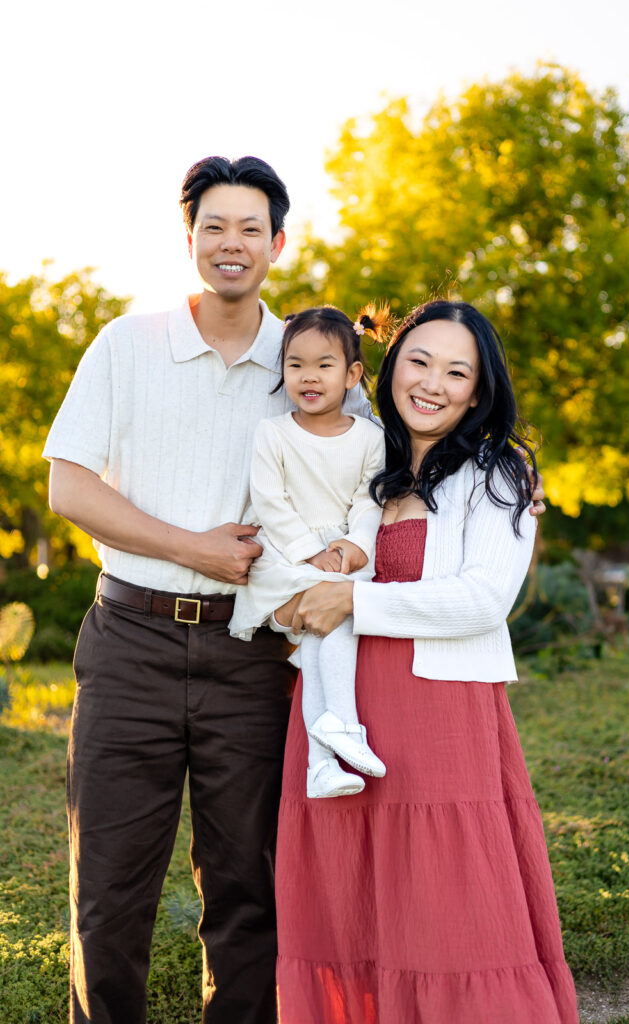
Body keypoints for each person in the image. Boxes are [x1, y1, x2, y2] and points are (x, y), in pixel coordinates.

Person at [42, 155, 374, 1024]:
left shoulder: (309, 357)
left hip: (254, 654)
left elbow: (382, 469)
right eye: (214, 228)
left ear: (278, 242)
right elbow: (69, 489)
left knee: (249, 888)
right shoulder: (127, 343)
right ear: (188, 237)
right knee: (108, 894)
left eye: (250, 229)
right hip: (130, 646)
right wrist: (194, 547)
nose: (232, 244)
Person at [275, 300, 579, 1023]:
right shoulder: (354, 455)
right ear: (388, 367)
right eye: (418, 360)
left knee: (447, 909)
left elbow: (480, 600)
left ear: (477, 392)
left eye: (455, 371)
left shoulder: (496, 474)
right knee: (348, 899)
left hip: (439, 714)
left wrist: (353, 604)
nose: (432, 383)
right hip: (334, 708)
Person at [230, 305, 391, 799]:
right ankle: (341, 724)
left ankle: (320, 765)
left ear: (352, 374)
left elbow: (370, 498)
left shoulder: (371, 436)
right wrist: (308, 553)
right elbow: (270, 501)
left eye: (324, 364)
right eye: (295, 364)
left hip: (343, 554)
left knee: (334, 622)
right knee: (333, 619)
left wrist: (353, 548)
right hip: (286, 557)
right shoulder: (273, 433)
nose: (309, 376)